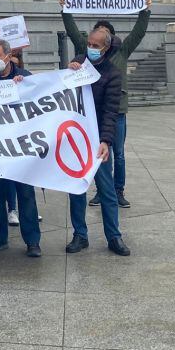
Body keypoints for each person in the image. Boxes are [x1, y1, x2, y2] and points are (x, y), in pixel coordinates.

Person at [60, 0, 152, 208]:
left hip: (117, 111)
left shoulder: (122, 52)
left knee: (117, 154)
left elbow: (138, 33)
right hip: (92, 112)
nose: (96, 41)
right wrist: (65, 10)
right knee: (98, 154)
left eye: (103, 33)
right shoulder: (87, 50)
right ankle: (102, 190)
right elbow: (73, 31)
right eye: (96, 33)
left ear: (109, 40)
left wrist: (145, 11)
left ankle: (117, 191)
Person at [66, 27, 130, 256]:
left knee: (107, 190)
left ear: (106, 48)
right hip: (77, 138)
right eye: (89, 44)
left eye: (95, 45)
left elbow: (111, 111)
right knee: (77, 189)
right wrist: (69, 72)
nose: (90, 48)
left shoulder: (112, 74)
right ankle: (79, 235)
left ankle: (114, 236)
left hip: (97, 140)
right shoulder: (78, 63)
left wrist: (106, 141)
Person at [0, 39, 41, 257]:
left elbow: (39, 105)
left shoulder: (25, 77)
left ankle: (32, 242)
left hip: (22, 148)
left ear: (8, 55)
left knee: (26, 195)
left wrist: (26, 88)